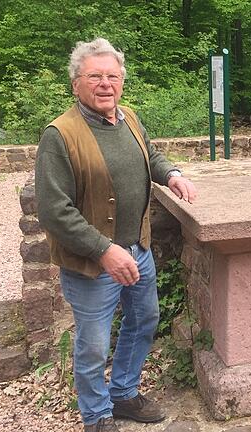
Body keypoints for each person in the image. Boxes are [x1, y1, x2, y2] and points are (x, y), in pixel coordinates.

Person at [35, 37, 197, 432]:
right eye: (95, 76)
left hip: (138, 248)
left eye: (113, 76)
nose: (105, 84)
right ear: (76, 84)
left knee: (144, 320)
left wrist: (171, 173)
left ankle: (123, 393)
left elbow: (150, 154)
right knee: (92, 344)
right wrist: (104, 251)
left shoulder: (129, 117)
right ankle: (96, 416)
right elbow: (54, 211)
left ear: (122, 81)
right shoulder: (59, 136)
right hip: (94, 262)